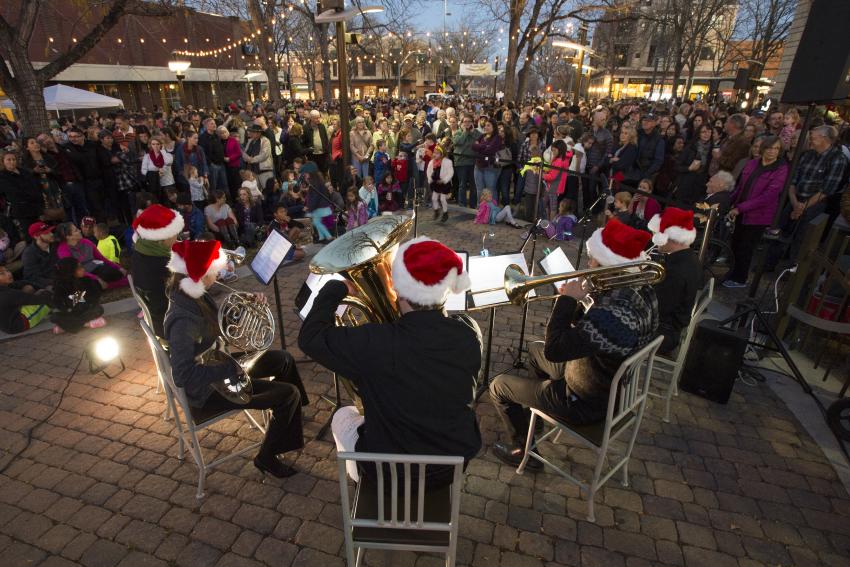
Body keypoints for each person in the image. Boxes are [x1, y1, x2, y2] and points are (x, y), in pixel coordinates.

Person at [299, 236, 482, 486]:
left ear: (398, 289)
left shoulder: (374, 343)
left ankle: (362, 484)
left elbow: (310, 338)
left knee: (343, 415)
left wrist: (335, 289)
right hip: (452, 468)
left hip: (386, 474)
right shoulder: (470, 332)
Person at [489, 219, 658, 467]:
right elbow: (586, 335)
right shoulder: (642, 290)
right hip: (601, 379)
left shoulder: (613, 317)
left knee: (499, 386)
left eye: (592, 260)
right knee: (534, 351)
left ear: (607, 265)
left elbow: (555, 349)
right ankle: (536, 418)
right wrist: (587, 299)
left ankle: (521, 450)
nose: (588, 265)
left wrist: (566, 301)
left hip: (584, 400)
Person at [163, 239, 306, 478]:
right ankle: (266, 457)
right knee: (288, 394)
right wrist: (230, 369)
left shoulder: (195, 294)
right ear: (200, 274)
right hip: (206, 394)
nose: (219, 272)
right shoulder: (183, 319)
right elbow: (183, 375)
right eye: (214, 269)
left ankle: (292, 417)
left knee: (283, 359)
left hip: (219, 365)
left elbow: (221, 325)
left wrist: (247, 308)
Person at [724, 136, 789, 288]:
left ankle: (740, 279)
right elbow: (741, 187)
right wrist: (730, 202)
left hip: (758, 216)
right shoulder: (752, 163)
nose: (773, 151)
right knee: (735, 244)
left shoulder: (781, 169)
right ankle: (731, 273)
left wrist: (741, 208)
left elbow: (768, 196)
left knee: (746, 248)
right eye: (770, 148)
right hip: (740, 211)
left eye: (776, 149)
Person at [647, 208, 703, 355]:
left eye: (656, 234)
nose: (653, 239)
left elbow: (659, 308)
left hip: (662, 332)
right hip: (666, 326)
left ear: (670, 237)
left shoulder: (676, 270)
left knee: (610, 330)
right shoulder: (686, 258)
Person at [131, 204, 185, 337]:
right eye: (174, 234)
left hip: (158, 313)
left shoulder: (142, 248)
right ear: (162, 237)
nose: (177, 236)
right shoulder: (162, 264)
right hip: (170, 321)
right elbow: (186, 290)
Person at [55, 222, 127, 289]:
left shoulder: (86, 242)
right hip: (81, 274)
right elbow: (75, 270)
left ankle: (109, 284)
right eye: (76, 230)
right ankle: (116, 283)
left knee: (114, 272)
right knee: (87, 283)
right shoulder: (63, 250)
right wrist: (96, 278)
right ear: (68, 237)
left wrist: (118, 267)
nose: (80, 231)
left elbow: (102, 258)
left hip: (96, 267)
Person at [51, 257, 106, 334]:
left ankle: (66, 326)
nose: (83, 269)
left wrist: (75, 299)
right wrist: (76, 298)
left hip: (85, 309)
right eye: (79, 268)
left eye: (82, 266)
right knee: (55, 317)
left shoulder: (87, 280)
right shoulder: (61, 285)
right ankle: (86, 324)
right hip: (70, 312)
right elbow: (59, 303)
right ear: (70, 271)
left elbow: (94, 297)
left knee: (98, 309)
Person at [0, 150, 45, 237]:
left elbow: (36, 186)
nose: (12, 162)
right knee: (30, 235)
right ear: (3, 162)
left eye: (13, 159)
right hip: (22, 211)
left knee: (42, 231)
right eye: (8, 160)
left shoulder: (24, 171)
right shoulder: (2, 176)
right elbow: (15, 193)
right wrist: (32, 195)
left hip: (36, 207)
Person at [0, 265, 52, 334]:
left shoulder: (6, 288)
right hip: (20, 324)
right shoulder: (7, 294)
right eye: (2, 274)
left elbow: (23, 284)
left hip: (10, 320)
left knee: (28, 288)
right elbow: (36, 299)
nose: (8, 274)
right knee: (49, 296)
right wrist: (46, 291)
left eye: (7, 270)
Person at [675, 124, 714, 207]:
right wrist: (689, 168)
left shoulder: (712, 150)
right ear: (698, 133)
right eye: (703, 132)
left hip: (700, 187)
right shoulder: (690, 147)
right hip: (685, 184)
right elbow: (677, 166)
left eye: (709, 132)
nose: (706, 134)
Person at [453, 114, 481, 207]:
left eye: (469, 121)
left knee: (474, 185)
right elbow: (458, 142)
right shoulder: (457, 132)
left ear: (472, 123)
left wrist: (472, 132)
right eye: (465, 121)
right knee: (462, 184)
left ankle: (473, 204)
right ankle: (462, 204)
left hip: (473, 162)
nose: (467, 123)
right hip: (461, 162)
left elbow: (481, 140)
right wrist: (465, 132)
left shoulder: (476, 132)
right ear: (461, 123)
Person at [472, 117, 503, 198]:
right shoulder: (482, 136)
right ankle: (481, 209)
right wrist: (484, 146)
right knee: (479, 190)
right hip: (478, 166)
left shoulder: (497, 138)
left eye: (488, 125)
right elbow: (473, 146)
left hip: (490, 167)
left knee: (490, 190)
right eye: (485, 125)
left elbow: (490, 151)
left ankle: (492, 210)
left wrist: (479, 146)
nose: (485, 127)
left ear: (494, 127)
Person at [242, 124, 275, 191]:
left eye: (253, 132)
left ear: (259, 133)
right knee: (256, 191)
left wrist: (252, 160)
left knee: (268, 190)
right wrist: (246, 158)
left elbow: (264, 155)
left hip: (265, 170)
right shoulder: (250, 141)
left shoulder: (265, 141)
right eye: (251, 132)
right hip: (253, 171)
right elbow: (245, 153)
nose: (251, 133)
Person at [426, 145, 453, 222]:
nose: (435, 154)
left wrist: (444, 180)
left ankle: (445, 213)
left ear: (442, 154)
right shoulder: (432, 162)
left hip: (444, 184)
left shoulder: (447, 162)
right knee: (434, 198)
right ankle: (436, 211)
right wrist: (430, 179)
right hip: (435, 183)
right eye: (434, 153)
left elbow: (450, 173)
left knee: (442, 199)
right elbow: (428, 171)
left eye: (437, 153)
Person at [636, 113, 665, 180]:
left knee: (619, 178)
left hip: (643, 171)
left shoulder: (659, 140)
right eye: (644, 120)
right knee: (615, 178)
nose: (645, 122)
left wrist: (647, 174)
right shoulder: (638, 133)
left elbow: (658, 161)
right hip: (631, 168)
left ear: (654, 124)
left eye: (648, 121)